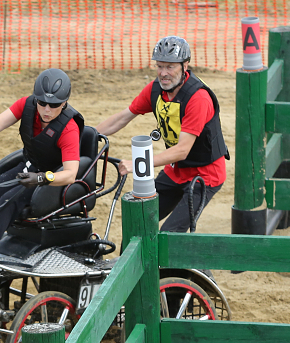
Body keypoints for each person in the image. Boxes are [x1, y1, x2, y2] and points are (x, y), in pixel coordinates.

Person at [96, 36, 229, 232]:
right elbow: (123, 117)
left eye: (170, 67)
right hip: (175, 171)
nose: (163, 73)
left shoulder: (198, 98)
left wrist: (138, 164)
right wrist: (87, 136)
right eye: (159, 66)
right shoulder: (155, 90)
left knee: (169, 236)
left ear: (185, 65)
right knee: (138, 223)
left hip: (205, 176)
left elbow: (182, 150)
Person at [0, 68, 83, 258]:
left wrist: (42, 178)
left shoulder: (69, 129)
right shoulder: (26, 105)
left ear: (64, 103)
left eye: (54, 105)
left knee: (8, 200)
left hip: (49, 182)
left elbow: (70, 174)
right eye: (42, 103)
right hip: (29, 167)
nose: (47, 110)